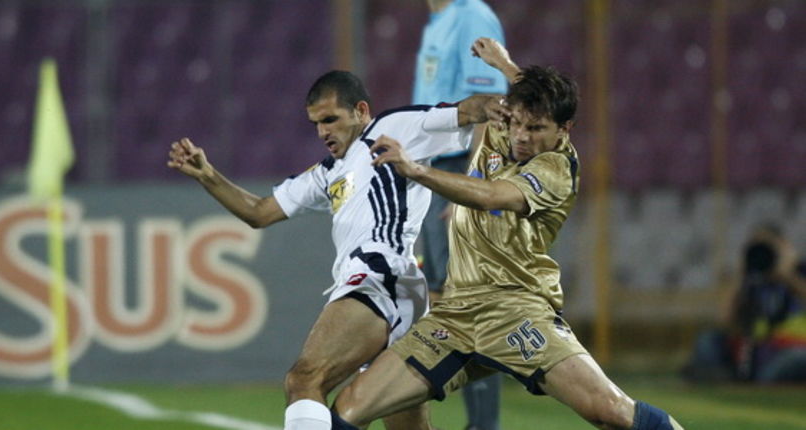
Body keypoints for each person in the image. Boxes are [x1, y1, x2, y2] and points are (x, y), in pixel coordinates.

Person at [328, 38, 685, 430]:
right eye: (516, 123)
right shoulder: (511, 119)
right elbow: (527, 95)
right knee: (349, 409)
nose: (521, 136)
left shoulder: (555, 168)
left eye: (536, 128)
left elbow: (493, 196)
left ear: (565, 129)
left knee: (611, 411)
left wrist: (416, 171)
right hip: (456, 312)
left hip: (516, 311)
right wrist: (504, 63)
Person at [167, 70, 498, 430]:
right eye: (316, 124)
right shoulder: (328, 172)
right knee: (393, 423)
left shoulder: (394, 128)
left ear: (360, 110)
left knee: (305, 379)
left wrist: (501, 106)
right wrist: (208, 175)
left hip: (379, 275)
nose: (323, 132)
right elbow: (259, 212)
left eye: (330, 120)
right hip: (398, 289)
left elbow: (466, 111)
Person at [413, 2, 508, 428]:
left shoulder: (471, 15)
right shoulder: (438, 20)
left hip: (456, 170)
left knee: (465, 302)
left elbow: (491, 105)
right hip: (435, 171)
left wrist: (469, 188)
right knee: (443, 298)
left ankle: (483, 425)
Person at [683, 223, 806, 383]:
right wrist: (742, 274)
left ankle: (749, 384)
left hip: (792, 347)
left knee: (796, 358)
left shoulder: (800, 272)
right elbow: (724, 319)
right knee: (707, 340)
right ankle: (722, 380)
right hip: (758, 351)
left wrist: (787, 275)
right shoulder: (750, 281)